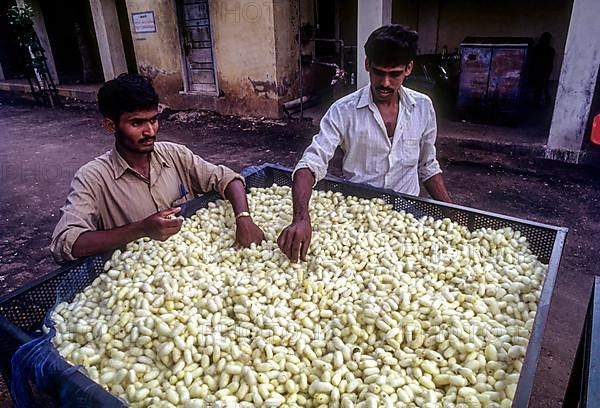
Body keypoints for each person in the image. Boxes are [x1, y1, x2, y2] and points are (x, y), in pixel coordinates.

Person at [278, 25, 451, 262]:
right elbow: (311, 163)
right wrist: (300, 218)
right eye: (379, 72)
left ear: (409, 68)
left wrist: (453, 216)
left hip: (406, 217)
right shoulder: (343, 111)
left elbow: (428, 166)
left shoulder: (422, 107)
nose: (386, 83)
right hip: (358, 214)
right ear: (367, 64)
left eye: (395, 74)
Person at [51, 73, 264, 263]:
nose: (150, 131)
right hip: (139, 272)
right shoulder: (92, 178)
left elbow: (226, 178)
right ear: (110, 126)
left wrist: (243, 218)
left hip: (198, 260)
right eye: (137, 123)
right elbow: (66, 242)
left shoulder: (175, 154)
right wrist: (141, 229)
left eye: (153, 120)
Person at [529, 32, 555, 106]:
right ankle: (542, 101)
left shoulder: (536, 49)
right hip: (541, 71)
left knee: (539, 88)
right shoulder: (550, 50)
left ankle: (537, 102)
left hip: (539, 71)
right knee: (541, 87)